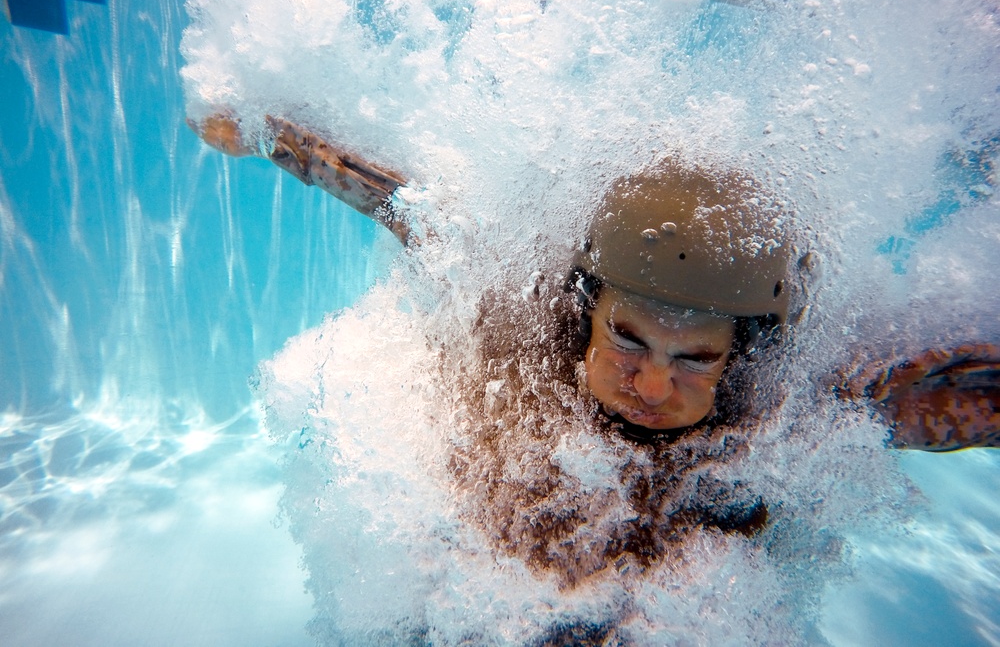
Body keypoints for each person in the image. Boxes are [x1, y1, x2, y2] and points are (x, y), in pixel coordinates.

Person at [190, 112, 999, 597]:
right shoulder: (519, 329)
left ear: (742, 355)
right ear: (588, 308)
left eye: (696, 359)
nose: (651, 382)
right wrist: (271, 135)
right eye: (627, 337)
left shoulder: (785, 412)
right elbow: (410, 208)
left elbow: (929, 402)